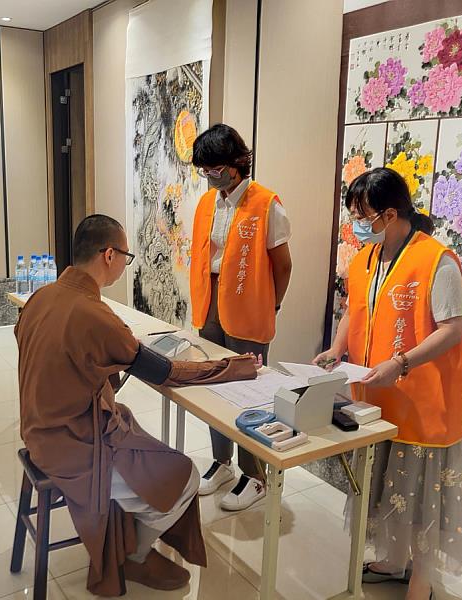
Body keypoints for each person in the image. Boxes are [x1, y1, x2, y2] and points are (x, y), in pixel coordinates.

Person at [16, 214, 259, 596]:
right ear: (109, 255)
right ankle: (134, 557)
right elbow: (163, 371)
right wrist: (231, 366)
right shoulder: (94, 314)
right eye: (126, 256)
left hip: (37, 429)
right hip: (72, 445)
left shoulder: (40, 297)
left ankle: (129, 537)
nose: (124, 264)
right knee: (185, 477)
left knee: (141, 440)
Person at [314, 168, 462, 600]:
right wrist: (335, 348)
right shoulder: (365, 259)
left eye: (362, 215)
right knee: (387, 487)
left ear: (390, 213)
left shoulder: (435, 259)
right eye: (352, 214)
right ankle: (391, 561)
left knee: (421, 497)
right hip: (378, 395)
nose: (356, 224)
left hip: (423, 400)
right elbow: (354, 310)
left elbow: (453, 329)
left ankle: (420, 581)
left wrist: (401, 361)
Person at [189, 123, 293, 511]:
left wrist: (273, 305)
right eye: (204, 170)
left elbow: (283, 266)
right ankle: (221, 463)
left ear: (235, 164)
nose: (210, 176)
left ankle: (255, 476)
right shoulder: (207, 202)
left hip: (249, 307)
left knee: (250, 391)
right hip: (210, 302)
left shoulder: (267, 204)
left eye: (214, 168)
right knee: (215, 386)